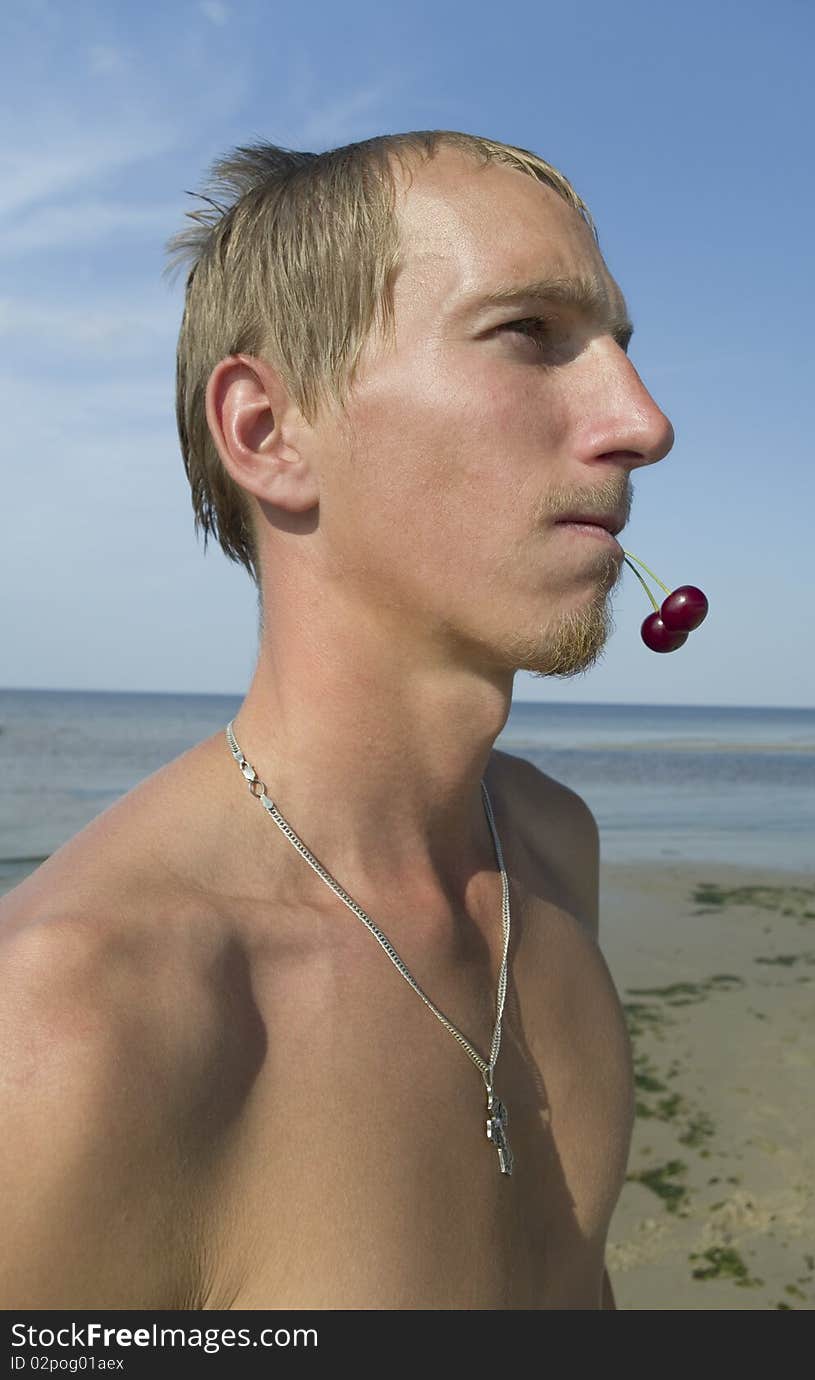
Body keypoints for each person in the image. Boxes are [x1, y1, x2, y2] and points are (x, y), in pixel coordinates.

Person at [0, 129, 673, 1310]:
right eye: (529, 335)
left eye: (618, 346)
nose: (642, 422)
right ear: (268, 432)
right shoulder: (78, 1026)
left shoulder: (554, 853)